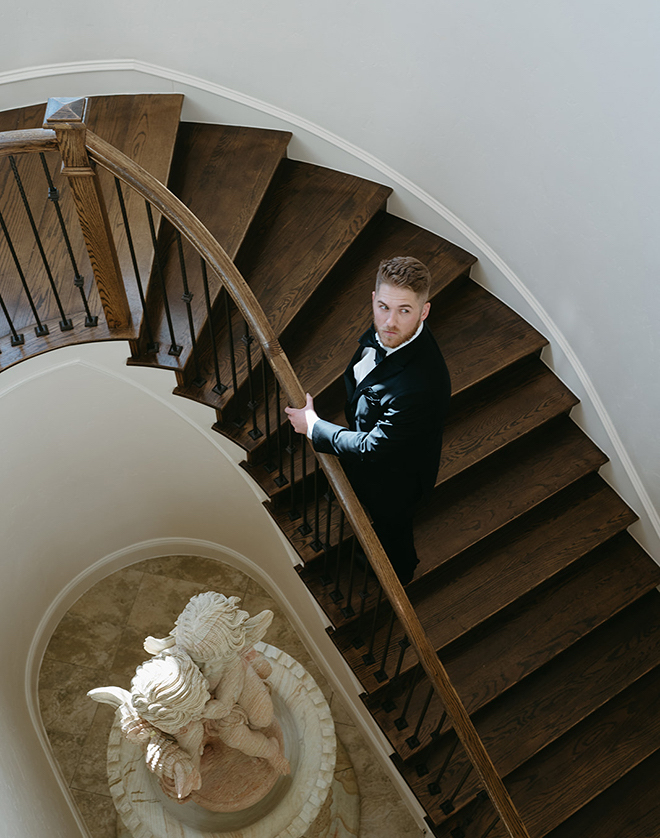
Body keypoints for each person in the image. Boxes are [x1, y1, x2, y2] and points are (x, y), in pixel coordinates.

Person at [285, 256, 451, 585]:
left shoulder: (421, 386)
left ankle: (402, 572)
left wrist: (314, 426)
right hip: (372, 444)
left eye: (404, 310)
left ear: (424, 312)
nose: (389, 322)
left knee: (393, 529)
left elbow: (373, 446)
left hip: (397, 480)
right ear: (373, 300)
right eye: (384, 307)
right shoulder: (389, 330)